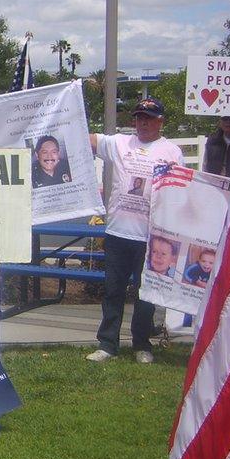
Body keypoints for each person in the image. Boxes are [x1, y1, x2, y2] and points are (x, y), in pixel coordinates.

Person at [86, 98, 183, 365]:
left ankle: (142, 344)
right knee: (113, 291)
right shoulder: (119, 142)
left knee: (145, 295)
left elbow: (181, 193)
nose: (143, 122)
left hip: (151, 237)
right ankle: (107, 343)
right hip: (118, 232)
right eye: (139, 117)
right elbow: (90, 139)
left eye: (149, 118)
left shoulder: (172, 152)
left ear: (160, 121)